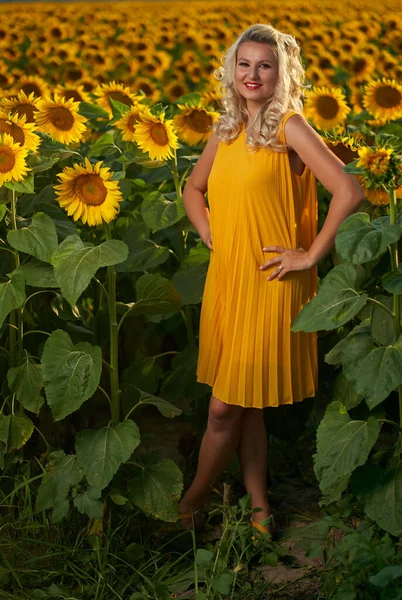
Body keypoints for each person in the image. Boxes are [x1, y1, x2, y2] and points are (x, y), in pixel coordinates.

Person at [180, 23, 365, 535]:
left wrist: (309, 255)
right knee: (248, 399)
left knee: (223, 408)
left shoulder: (290, 126)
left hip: (270, 280)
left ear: (282, 72)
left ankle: (189, 506)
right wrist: (212, 233)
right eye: (244, 64)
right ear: (232, 70)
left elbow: (348, 192)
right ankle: (259, 503)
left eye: (265, 64)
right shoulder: (225, 129)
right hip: (230, 275)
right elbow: (193, 189)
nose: (253, 74)